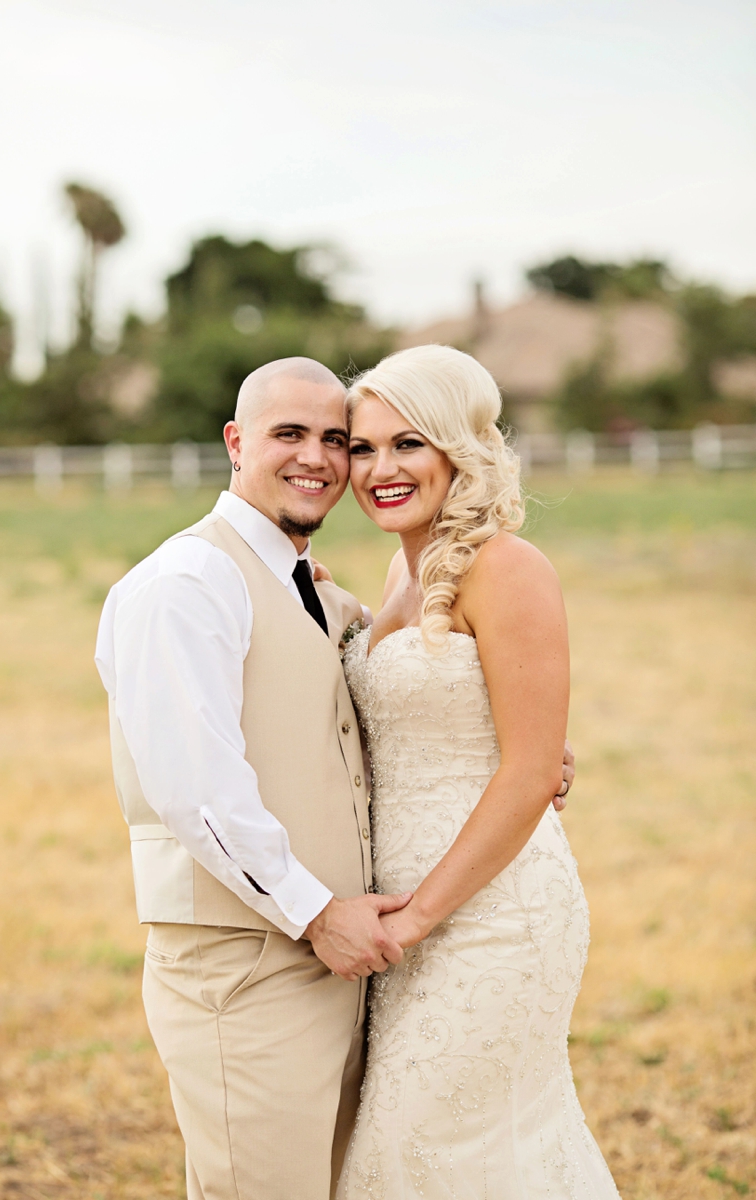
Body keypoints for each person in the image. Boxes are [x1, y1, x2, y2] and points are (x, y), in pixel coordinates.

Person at [94, 356, 574, 1200]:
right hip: (255, 958)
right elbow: (194, 791)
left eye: (337, 439)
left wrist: (520, 755)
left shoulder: (327, 586)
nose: (327, 459)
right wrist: (321, 914)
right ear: (236, 442)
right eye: (292, 435)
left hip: (391, 942)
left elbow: (411, 684)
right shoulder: (186, 583)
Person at [336, 344, 619, 1198]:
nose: (379, 469)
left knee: (434, 1148)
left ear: (460, 445)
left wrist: (419, 918)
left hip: (491, 918)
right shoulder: (401, 567)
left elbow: (531, 773)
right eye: (363, 447)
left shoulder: (507, 567)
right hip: (407, 916)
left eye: (407, 444)